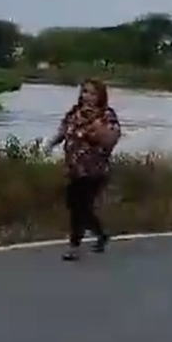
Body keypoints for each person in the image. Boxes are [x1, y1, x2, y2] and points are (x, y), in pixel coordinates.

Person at [46, 78, 122, 261]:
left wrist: (100, 130)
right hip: (74, 167)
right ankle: (101, 235)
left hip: (94, 170)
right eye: (85, 92)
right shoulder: (75, 112)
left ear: (100, 96)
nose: (87, 96)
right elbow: (64, 131)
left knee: (80, 207)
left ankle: (74, 246)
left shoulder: (106, 115)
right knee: (75, 205)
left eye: (92, 93)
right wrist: (51, 143)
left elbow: (112, 138)